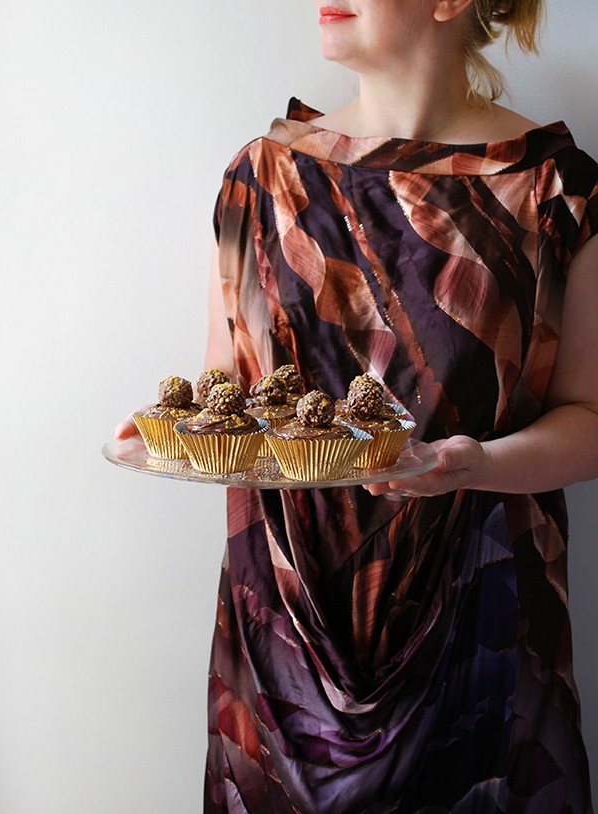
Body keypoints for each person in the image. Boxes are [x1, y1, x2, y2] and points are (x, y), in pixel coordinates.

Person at [117, 0, 598, 810]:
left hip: (480, 640)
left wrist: (476, 465)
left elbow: (589, 422)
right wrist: (175, 434)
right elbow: (227, 394)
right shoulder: (260, 177)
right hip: (284, 646)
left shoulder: (554, 189)